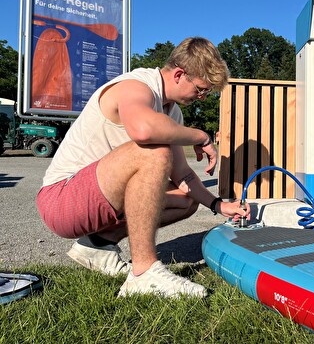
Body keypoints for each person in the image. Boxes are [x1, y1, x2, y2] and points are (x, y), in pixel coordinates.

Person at [36, 36, 249, 296]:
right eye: (201, 89)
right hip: (62, 200)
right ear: (180, 74)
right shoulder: (136, 86)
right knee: (154, 151)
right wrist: (201, 136)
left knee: (186, 199)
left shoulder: (173, 112)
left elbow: (183, 175)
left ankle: (96, 246)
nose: (202, 97)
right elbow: (144, 130)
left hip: (99, 197)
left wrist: (217, 205)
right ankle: (144, 273)